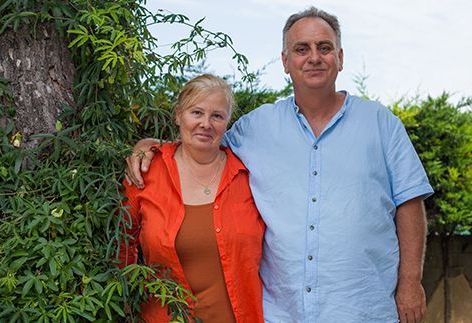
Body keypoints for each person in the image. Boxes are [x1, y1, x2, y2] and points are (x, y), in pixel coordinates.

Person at [125, 7, 433, 323]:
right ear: (285, 61)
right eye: (302, 49)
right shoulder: (255, 128)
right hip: (283, 314)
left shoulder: (381, 124)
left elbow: (409, 203)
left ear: (340, 57)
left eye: (324, 48)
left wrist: (410, 283)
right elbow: (201, 142)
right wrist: (150, 147)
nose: (314, 57)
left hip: (362, 310)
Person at [118, 74, 265, 323]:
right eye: (196, 112)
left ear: (227, 122)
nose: (206, 124)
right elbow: (122, 248)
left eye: (217, 116)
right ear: (178, 115)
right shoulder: (146, 172)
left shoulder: (249, 175)